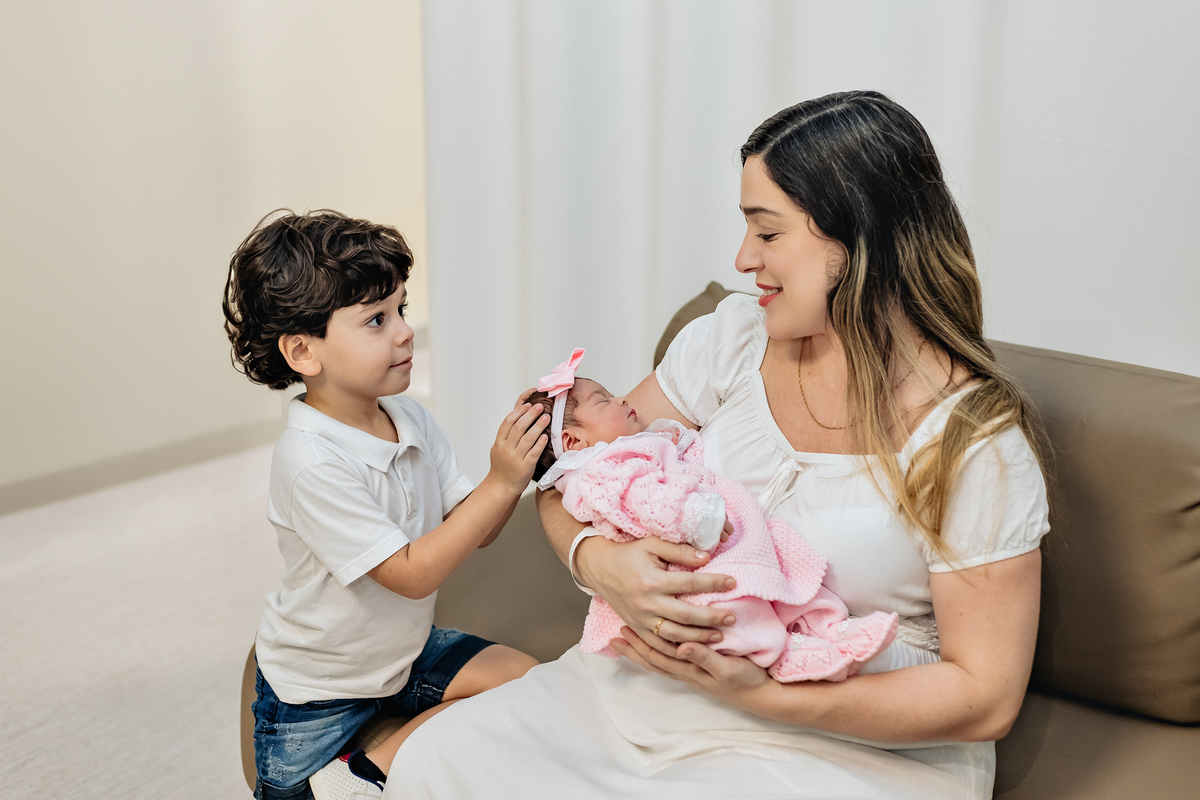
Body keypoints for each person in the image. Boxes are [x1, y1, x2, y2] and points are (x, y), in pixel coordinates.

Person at [383, 90, 1050, 799]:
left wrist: (772, 699)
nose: (742, 259)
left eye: (767, 234)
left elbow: (986, 697)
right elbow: (574, 470)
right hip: (653, 698)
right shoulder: (732, 341)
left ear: (860, 239)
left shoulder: (972, 444)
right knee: (443, 759)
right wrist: (599, 560)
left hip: (851, 748)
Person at [223, 210, 548, 800]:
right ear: (303, 352)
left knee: (531, 682)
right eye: (376, 320)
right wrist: (500, 482)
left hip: (401, 655)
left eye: (400, 308)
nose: (404, 331)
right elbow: (411, 575)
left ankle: (371, 763)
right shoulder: (310, 461)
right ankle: (348, 769)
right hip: (318, 692)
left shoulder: (408, 416)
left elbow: (475, 529)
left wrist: (523, 463)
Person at [527, 352, 898, 682]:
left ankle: (828, 629)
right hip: (698, 550)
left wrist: (677, 442)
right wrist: (694, 516)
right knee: (734, 601)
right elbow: (647, 501)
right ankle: (775, 654)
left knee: (794, 574)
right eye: (604, 400)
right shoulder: (603, 471)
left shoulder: (633, 446)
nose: (622, 398)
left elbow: (679, 456)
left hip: (739, 530)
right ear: (574, 441)